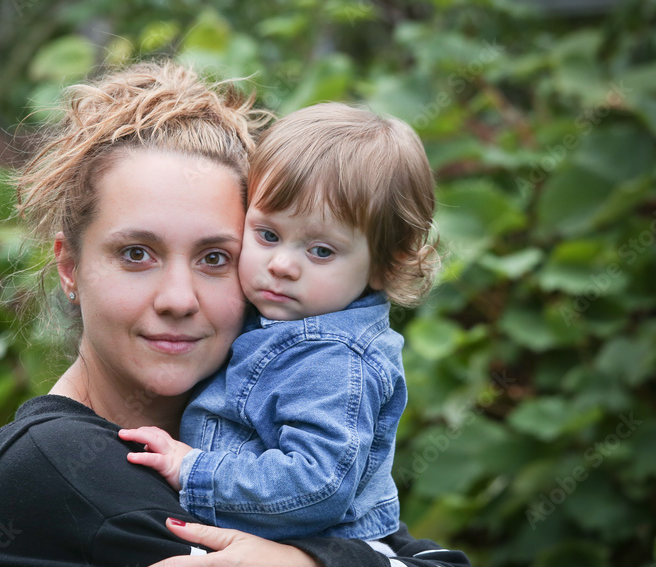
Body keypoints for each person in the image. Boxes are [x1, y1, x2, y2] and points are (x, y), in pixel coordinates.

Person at [0, 61, 488, 567]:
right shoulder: (65, 473)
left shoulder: (257, 443)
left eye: (215, 258)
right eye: (136, 254)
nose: (178, 298)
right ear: (70, 267)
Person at [119, 102, 437, 543]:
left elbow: (315, 485)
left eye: (321, 251)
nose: (283, 265)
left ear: (385, 266)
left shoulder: (334, 360)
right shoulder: (271, 316)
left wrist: (192, 469)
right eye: (268, 235)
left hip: (312, 562)